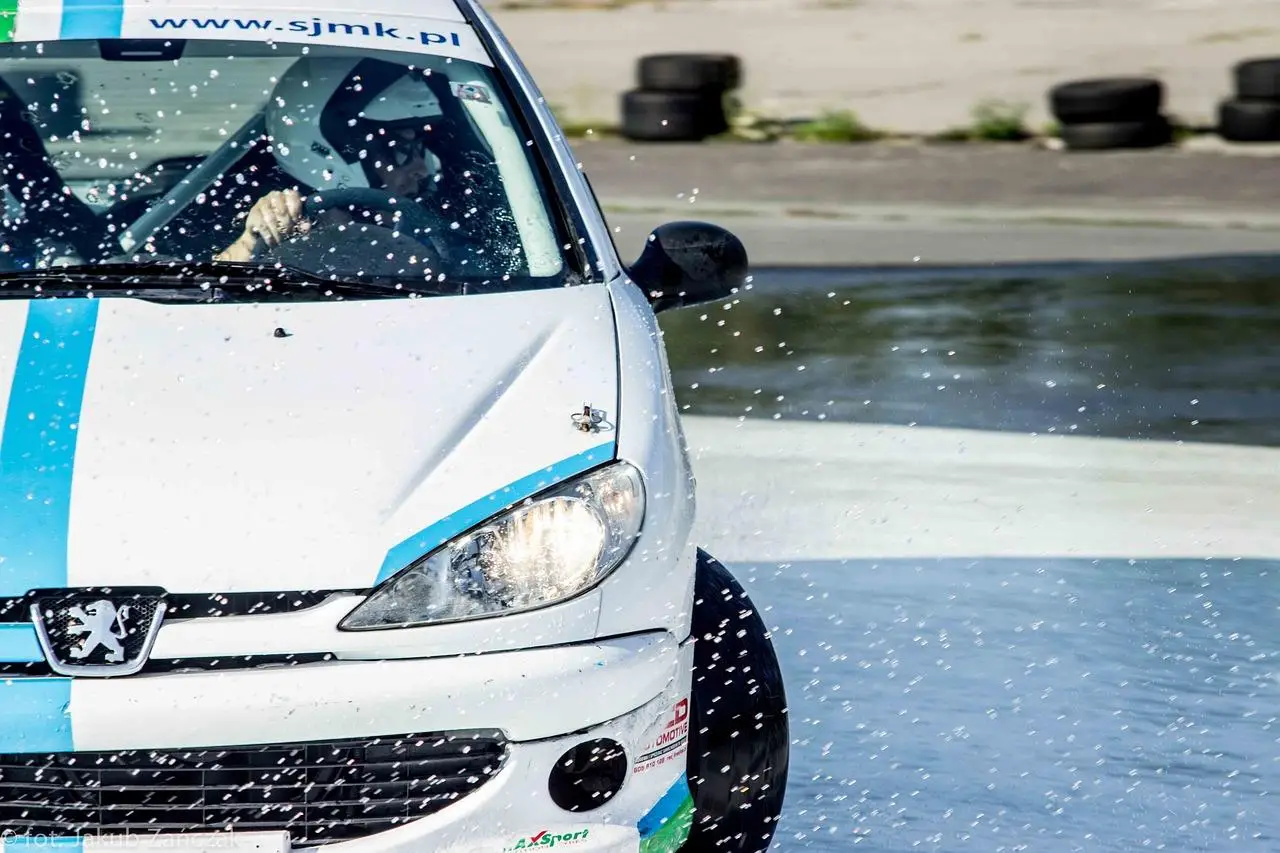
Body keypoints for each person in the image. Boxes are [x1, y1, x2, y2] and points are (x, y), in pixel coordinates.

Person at [214, 56, 489, 264]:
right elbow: (217, 291)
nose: (420, 169)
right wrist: (251, 243)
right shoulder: (285, 233)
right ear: (331, 148)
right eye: (401, 149)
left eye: (419, 147)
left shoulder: (438, 230)